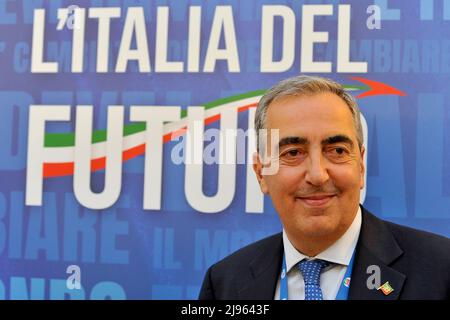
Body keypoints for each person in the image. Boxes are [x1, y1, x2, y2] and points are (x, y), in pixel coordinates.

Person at [198, 75, 450, 300]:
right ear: (261, 173)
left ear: (360, 165)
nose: (317, 175)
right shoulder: (224, 284)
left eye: (337, 151)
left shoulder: (441, 271)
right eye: (293, 152)